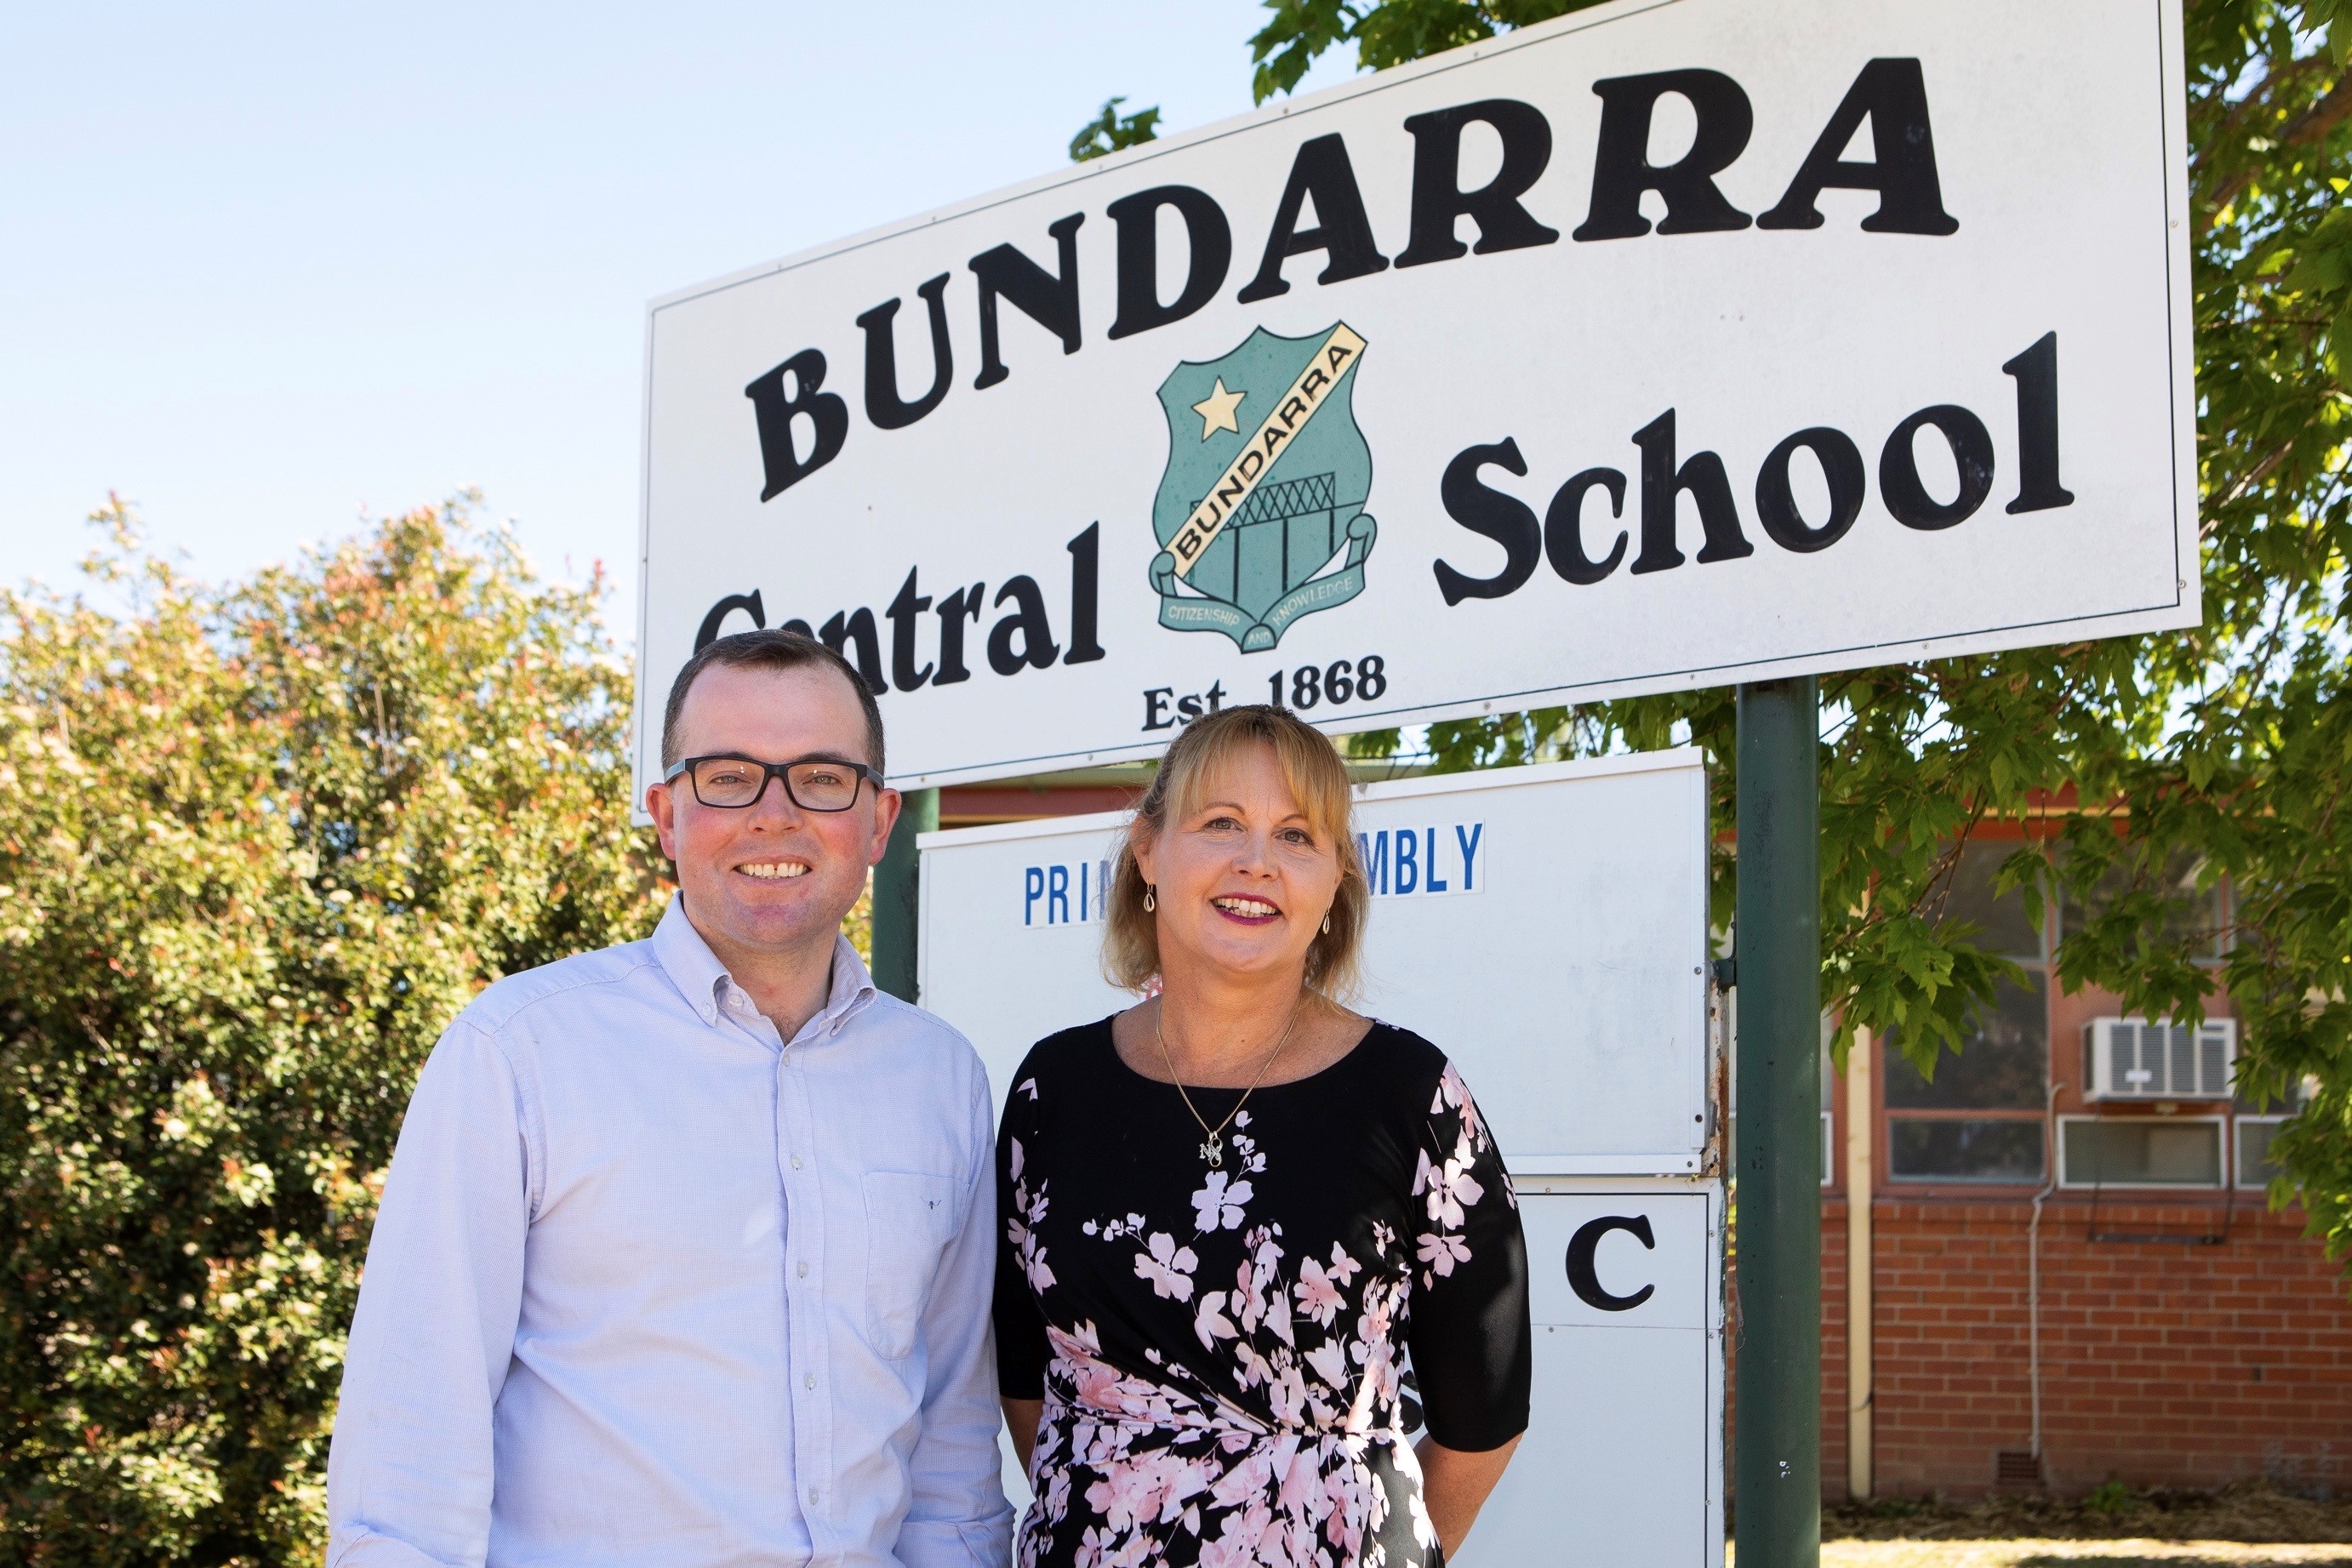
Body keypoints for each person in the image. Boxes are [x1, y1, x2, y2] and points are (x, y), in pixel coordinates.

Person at [327, 630, 1012, 1568]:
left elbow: (951, 1443)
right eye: (728, 776)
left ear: (880, 819)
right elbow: (407, 1458)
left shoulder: (941, 1080)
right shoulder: (519, 1052)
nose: (774, 814)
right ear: (666, 814)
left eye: (821, 777)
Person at [993, 705, 1530, 1568]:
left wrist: (1347, 1527)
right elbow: (1024, 1380)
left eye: (1295, 835)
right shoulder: (1052, 1089)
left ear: (1334, 881)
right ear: (1146, 852)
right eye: (1220, 824)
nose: (1256, 862)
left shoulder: (1412, 1096)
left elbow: (1484, 1417)